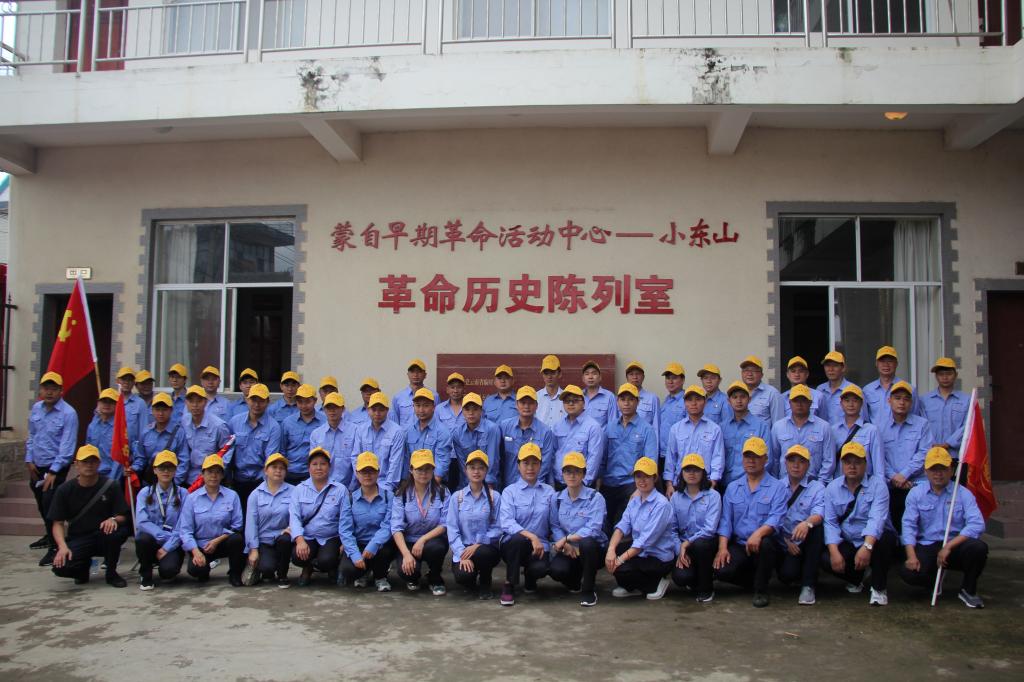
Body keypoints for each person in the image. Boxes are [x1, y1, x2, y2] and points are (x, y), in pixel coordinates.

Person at [900, 447, 988, 608]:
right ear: (926, 471)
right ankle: (934, 580)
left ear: (951, 470)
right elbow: (908, 526)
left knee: (978, 548)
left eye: (943, 469)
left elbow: (977, 524)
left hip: (955, 545)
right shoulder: (916, 494)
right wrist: (911, 556)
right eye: (934, 469)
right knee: (909, 573)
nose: (938, 474)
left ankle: (968, 590)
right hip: (927, 544)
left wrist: (948, 547)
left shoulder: (963, 493)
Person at [714, 436, 787, 608]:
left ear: (765, 459)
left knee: (767, 544)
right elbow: (726, 521)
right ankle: (753, 581)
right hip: (740, 543)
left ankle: (761, 590)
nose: (751, 461)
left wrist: (758, 534)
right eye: (748, 456)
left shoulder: (777, 487)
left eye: (756, 457)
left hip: (764, 544)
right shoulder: (733, 487)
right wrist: (722, 548)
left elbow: (776, 518)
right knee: (721, 570)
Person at [822, 442, 898, 606]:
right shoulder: (832, 488)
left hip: (873, 538)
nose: (852, 466)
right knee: (826, 558)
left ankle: (879, 589)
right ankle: (857, 578)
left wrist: (867, 547)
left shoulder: (878, 486)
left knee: (885, 539)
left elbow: (877, 520)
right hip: (849, 538)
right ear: (842, 464)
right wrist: (834, 552)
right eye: (848, 462)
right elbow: (830, 522)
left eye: (857, 462)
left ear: (865, 464)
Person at [49, 445, 131, 587]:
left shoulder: (111, 486)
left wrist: (113, 519)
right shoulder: (64, 490)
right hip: (80, 537)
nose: (89, 465)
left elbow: (124, 515)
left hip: (104, 536)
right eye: (85, 462)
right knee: (60, 567)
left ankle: (111, 573)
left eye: (93, 461)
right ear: (76, 464)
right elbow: (58, 523)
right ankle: (82, 570)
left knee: (116, 534)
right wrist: (62, 547)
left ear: (99, 464)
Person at [604, 457, 675, 601]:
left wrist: (620, 559)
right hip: (640, 553)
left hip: (657, 556)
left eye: (646, 476)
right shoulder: (634, 501)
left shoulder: (662, 504)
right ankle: (636, 586)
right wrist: (611, 550)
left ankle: (656, 584)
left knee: (620, 566)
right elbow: (622, 526)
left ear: (655, 478)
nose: (642, 480)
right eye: (638, 476)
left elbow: (645, 540)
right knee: (613, 559)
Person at [25, 371, 78, 564]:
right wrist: (29, 459)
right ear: (40, 390)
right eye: (46, 388)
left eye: (54, 389)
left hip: (56, 467)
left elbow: (67, 446)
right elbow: (32, 435)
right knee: (41, 503)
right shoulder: (36, 409)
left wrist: (54, 471)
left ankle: (56, 546)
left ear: (61, 391)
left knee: (51, 503)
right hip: (37, 465)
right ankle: (50, 535)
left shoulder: (68, 413)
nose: (49, 392)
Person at [498, 443, 557, 606]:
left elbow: (554, 523)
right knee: (517, 540)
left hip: (540, 546)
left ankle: (531, 578)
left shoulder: (549, 492)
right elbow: (507, 522)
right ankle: (509, 584)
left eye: (534, 463)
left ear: (540, 465)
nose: (530, 468)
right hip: (513, 545)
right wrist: (531, 536)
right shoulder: (509, 491)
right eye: (525, 463)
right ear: (518, 466)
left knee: (540, 568)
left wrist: (560, 543)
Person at [549, 452, 608, 607]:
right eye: (568, 471)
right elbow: (555, 526)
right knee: (556, 570)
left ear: (584, 474)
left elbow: (594, 529)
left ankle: (588, 589)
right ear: (562, 474)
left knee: (587, 543)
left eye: (577, 471)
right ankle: (575, 581)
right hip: (569, 550)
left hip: (592, 550)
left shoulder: (595, 497)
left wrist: (567, 538)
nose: (572, 475)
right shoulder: (556, 499)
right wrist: (565, 544)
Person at [178, 454, 245, 586]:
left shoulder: (232, 496)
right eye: (209, 472)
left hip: (223, 541)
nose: (213, 476)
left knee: (237, 539)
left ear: (222, 475)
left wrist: (216, 541)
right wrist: (196, 552)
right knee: (196, 570)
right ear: (202, 474)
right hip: (201, 545)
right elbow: (185, 530)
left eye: (217, 472)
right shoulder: (192, 498)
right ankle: (204, 570)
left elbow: (237, 525)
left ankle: (235, 574)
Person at [391, 449, 450, 595]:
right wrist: (406, 554)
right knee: (407, 572)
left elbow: (445, 524)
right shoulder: (402, 494)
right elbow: (396, 528)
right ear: (411, 470)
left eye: (427, 469)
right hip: (409, 541)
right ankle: (414, 577)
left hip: (432, 540)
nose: (424, 473)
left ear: (433, 470)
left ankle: (435, 577)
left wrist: (423, 539)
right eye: (419, 469)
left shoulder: (442, 492)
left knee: (437, 548)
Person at [602, 383, 658, 534]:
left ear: (637, 402)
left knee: (622, 529)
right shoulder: (609, 427)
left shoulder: (646, 429)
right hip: (608, 484)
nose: (626, 403)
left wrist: (639, 490)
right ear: (617, 402)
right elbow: (603, 458)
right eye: (623, 399)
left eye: (630, 399)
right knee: (604, 528)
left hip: (631, 486)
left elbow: (651, 462)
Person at [447, 450, 503, 599]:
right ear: (466, 470)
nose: (476, 472)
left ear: (486, 471)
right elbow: (452, 529)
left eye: (481, 468)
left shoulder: (495, 497)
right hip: (464, 549)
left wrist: (478, 544)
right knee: (463, 576)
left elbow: (498, 527)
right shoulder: (457, 497)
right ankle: (471, 582)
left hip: (486, 548)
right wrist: (462, 553)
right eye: (472, 468)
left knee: (483, 553)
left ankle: (485, 582)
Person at [339, 452, 397, 591]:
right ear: (357, 473)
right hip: (359, 543)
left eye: (371, 471)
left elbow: (388, 524)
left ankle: (380, 576)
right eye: (363, 471)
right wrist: (355, 555)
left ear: (378, 472)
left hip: (381, 545)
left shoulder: (389, 496)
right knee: (348, 570)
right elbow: (345, 530)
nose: (367, 475)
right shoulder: (350, 498)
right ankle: (363, 573)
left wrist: (374, 545)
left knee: (385, 551)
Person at [775, 445, 825, 606]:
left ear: (808, 465)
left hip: (806, 539)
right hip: (785, 541)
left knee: (817, 529)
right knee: (787, 575)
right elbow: (770, 519)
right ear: (785, 463)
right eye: (792, 461)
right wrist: (785, 541)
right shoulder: (777, 487)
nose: (796, 465)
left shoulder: (817, 487)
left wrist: (807, 523)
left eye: (801, 461)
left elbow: (819, 513)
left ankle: (808, 586)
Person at [880, 381, 933, 530]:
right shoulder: (879, 427)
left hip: (916, 485)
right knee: (894, 529)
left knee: (918, 528)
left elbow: (924, 453)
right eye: (897, 398)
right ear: (889, 400)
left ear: (911, 402)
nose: (902, 402)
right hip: (890, 486)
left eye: (906, 399)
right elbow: (879, 457)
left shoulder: (922, 424)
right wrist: (894, 477)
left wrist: (904, 475)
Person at [669, 454, 721, 603]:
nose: (692, 473)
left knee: (700, 545)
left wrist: (687, 543)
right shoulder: (675, 497)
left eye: (696, 470)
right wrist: (680, 550)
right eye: (688, 470)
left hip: (706, 544)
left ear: (703, 473)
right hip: (684, 546)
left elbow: (710, 529)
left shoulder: (713, 496)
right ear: (682, 473)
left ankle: (706, 588)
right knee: (681, 577)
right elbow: (671, 529)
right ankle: (694, 579)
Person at [290, 447, 345, 586]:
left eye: (323, 464)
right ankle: (307, 568)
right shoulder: (299, 490)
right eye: (314, 464)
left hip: (331, 536)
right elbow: (294, 518)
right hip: (308, 536)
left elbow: (345, 519)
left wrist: (345, 542)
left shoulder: (340, 489)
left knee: (327, 560)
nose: (319, 467)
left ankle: (332, 567)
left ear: (329, 467)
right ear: (309, 467)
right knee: (297, 556)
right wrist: (299, 540)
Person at [134, 450, 188, 590]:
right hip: (152, 540)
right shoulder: (145, 493)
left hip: (173, 542)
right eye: (162, 467)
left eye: (170, 468)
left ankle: (168, 566)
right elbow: (142, 522)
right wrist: (161, 535)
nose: (166, 471)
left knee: (168, 572)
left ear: (175, 471)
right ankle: (145, 575)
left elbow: (184, 525)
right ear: (155, 470)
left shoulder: (183, 494)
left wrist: (168, 546)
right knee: (142, 538)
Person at [229, 383, 282, 514]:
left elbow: (270, 459)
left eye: (261, 401)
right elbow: (228, 453)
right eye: (253, 400)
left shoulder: (273, 427)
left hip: (260, 481)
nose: (257, 404)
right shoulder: (235, 422)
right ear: (247, 400)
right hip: (237, 481)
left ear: (268, 402)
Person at [244, 453, 294, 588]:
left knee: (285, 540)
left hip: (284, 537)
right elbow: (251, 524)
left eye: (282, 468)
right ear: (266, 470)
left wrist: (291, 528)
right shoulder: (255, 494)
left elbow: (298, 516)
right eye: (274, 467)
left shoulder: (294, 491)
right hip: (264, 540)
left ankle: (283, 575)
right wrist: (253, 549)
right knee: (267, 568)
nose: (278, 470)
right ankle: (267, 568)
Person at [664, 385, 725, 496]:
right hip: (680, 483)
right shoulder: (675, 429)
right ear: (684, 403)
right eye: (689, 400)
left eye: (698, 399)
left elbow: (718, 458)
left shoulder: (715, 429)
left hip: (706, 483)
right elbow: (670, 458)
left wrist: (713, 483)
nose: (694, 403)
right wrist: (669, 484)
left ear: (705, 402)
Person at [769, 384, 835, 482]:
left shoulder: (824, 427)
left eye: (803, 400)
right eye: (796, 400)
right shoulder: (778, 427)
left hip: (813, 484)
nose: (799, 404)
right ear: (789, 403)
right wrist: (777, 484)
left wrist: (820, 485)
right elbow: (774, 459)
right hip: (784, 485)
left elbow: (829, 460)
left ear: (810, 403)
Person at [498, 386, 556, 489]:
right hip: (509, 486)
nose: (526, 406)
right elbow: (499, 459)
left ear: (536, 405)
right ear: (516, 404)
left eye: (530, 403)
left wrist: (531, 486)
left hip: (535, 487)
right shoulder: (504, 427)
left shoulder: (545, 432)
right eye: (523, 403)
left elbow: (545, 465)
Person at [921, 358, 970, 479]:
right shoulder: (924, 400)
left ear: (956, 375)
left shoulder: (966, 400)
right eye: (941, 374)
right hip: (932, 456)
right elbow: (922, 425)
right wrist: (933, 444)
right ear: (936, 376)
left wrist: (948, 444)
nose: (945, 377)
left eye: (948, 373)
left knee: (957, 489)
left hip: (956, 456)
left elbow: (968, 426)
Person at [175, 385, 232, 486]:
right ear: (186, 403)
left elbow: (227, 452)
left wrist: (216, 474)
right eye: (191, 401)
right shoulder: (183, 422)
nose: (195, 405)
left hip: (211, 480)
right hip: (188, 478)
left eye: (199, 401)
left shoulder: (218, 426)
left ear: (205, 402)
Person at [720, 381, 771, 491]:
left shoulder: (761, 426)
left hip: (752, 484)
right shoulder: (722, 428)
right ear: (729, 401)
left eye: (743, 397)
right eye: (735, 397)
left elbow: (768, 458)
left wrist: (753, 481)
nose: (739, 401)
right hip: (726, 485)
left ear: (749, 399)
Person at [551, 385, 605, 489]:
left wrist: (584, 483)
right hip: (559, 482)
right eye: (567, 401)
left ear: (583, 403)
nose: (571, 403)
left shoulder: (593, 427)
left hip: (582, 485)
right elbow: (552, 454)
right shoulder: (557, 426)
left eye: (575, 400)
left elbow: (594, 458)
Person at [400, 388, 454, 490]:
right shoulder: (408, 430)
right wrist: (405, 485)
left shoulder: (443, 432)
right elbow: (406, 460)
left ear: (433, 407)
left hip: (435, 484)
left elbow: (442, 463)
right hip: (412, 483)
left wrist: (429, 489)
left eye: (425, 405)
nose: (421, 410)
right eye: (418, 405)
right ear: (413, 407)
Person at [353, 392, 406, 492]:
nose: (377, 413)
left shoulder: (397, 432)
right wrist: (362, 481)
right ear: (368, 410)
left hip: (386, 487)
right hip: (363, 484)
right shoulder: (361, 430)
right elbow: (355, 457)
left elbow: (395, 464)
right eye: (374, 409)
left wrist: (385, 491)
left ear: (387, 410)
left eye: (381, 410)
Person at [449, 392, 501, 490]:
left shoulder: (492, 429)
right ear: (462, 411)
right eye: (467, 409)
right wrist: (470, 486)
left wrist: (488, 486)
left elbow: (493, 460)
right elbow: (462, 464)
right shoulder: (458, 433)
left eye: (475, 409)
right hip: (467, 483)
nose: (471, 413)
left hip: (489, 483)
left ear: (481, 410)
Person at [831, 384, 885, 478]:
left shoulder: (871, 430)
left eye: (855, 400)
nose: (851, 404)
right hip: (840, 484)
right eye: (847, 400)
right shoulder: (833, 430)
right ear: (841, 404)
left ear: (861, 403)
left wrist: (879, 485)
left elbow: (878, 465)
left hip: (865, 484)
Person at [131, 393, 184, 486]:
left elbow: (183, 461)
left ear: (171, 410)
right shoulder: (146, 432)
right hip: (148, 483)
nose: (160, 413)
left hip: (171, 483)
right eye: (157, 409)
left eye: (164, 410)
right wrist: (133, 469)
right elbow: (141, 458)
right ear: (152, 411)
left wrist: (174, 484)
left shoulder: (179, 432)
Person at [310, 391, 359, 488]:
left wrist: (352, 489)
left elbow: (357, 462)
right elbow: (314, 464)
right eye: (328, 407)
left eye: (336, 407)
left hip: (349, 487)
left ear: (343, 409)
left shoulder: (355, 431)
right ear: (324, 409)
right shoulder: (316, 434)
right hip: (324, 487)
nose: (332, 411)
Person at [864, 346, 924, 424]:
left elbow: (914, 418)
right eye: (882, 361)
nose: (886, 365)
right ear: (876, 364)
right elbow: (865, 420)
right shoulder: (867, 390)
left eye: (890, 361)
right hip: (876, 432)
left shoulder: (910, 389)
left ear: (896, 364)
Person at [280, 384, 325, 485]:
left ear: (315, 400)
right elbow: (282, 450)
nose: (304, 406)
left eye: (308, 401)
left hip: (314, 473)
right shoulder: (287, 423)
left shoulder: (324, 422)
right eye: (300, 402)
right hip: (290, 472)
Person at [658, 362, 687, 476]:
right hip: (663, 454)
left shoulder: (687, 401)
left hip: (678, 455)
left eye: (674, 378)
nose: (670, 381)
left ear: (682, 380)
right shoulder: (666, 401)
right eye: (668, 378)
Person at [391, 358, 436, 429]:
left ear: (425, 375)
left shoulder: (434, 395)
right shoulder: (398, 397)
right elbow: (395, 423)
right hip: (404, 435)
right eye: (412, 371)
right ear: (407, 374)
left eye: (419, 372)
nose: (415, 375)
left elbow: (436, 418)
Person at [740, 355, 785, 425]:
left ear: (762, 375)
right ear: (742, 373)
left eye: (754, 370)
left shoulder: (772, 393)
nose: (750, 374)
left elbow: (778, 425)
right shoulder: (736, 393)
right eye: (746, 370)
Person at [816, 351, 857, 425]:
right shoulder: (819, 390)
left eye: (835, 365)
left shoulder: (854, 390)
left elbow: (861, 421)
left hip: (846, 432)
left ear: (843, 368)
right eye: (827, 365)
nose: (830, 369)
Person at [86, 388, 119, 481]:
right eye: (104, 401)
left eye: (111, 402)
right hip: (92, 474)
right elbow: (88, 451)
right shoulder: (92, 426)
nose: (107, 405)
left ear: (117, 405)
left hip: (111, 476)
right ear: (98, 403)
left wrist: (111, 481)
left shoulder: (120, 428)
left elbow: (119, 459)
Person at [624, 361, 661, 434]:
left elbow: (656, 426)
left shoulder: (652, 398)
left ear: (643, 377)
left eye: (638, 374)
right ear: (627, 378)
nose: (635, 377)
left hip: (645, 440)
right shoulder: (622, 400)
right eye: (631, 374)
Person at [115, 366, 148, 445]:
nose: (126, 382)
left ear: (133, 383)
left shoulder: (140, 403)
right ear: (118, 381)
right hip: (113, 447)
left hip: (132, 449)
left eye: (129, 380)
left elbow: (143, 431)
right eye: (124, 379)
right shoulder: (112, 401)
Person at [580, 360, 618, 425]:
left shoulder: (609, 397)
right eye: (587, 374)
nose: (590, 377)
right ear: (583, 378)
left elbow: (613, 424)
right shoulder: (578, 396)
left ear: (600, 377)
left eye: (594, 373)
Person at [536, 355, 567, 428]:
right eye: (546, 373)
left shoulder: (566, 398)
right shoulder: (535, 397)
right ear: (542, 375)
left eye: (553, 372)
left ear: (560, 374)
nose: (549, 377)